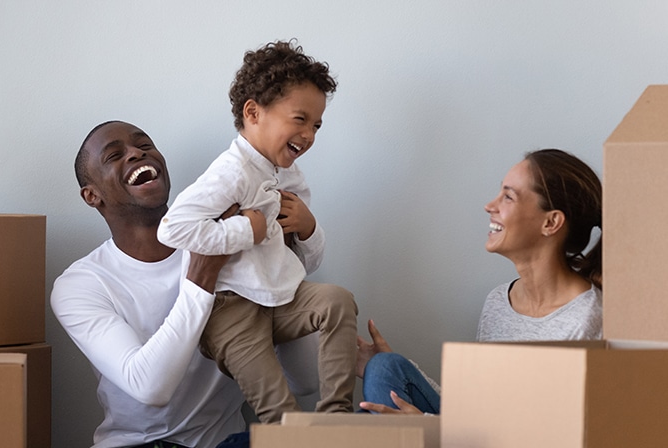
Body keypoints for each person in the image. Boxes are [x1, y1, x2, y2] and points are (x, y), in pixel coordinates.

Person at [51, 120, 317, 448]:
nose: (136, 153)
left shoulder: (232, 241)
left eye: (144, 145)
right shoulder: (80, 285)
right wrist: (202, 276)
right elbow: (149, 387)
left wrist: (285, 261)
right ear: (92, 196)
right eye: (114, 155)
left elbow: (306, 381)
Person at [156, 40, 358, 424]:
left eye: (316, 125)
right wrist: (245, 230)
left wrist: (308, 227)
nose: (310, 134)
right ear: (253, 112)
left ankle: (336, 418)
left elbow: (306, 263)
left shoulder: (287, 175)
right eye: (300, 119)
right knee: (281, 416)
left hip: (276, 299)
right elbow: (173, 228)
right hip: (229, 312)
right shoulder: (231, 172)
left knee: (337, 300)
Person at [357, 148, 603, 415]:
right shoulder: (499, 302)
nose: (490, 206)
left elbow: (554, 430)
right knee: (385, 368)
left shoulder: (587, 318)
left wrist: (429, 424)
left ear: (551, 222)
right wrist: (401, 377)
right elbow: (477, 407)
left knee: (370, 422)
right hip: (481, 432)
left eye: (508, 197)